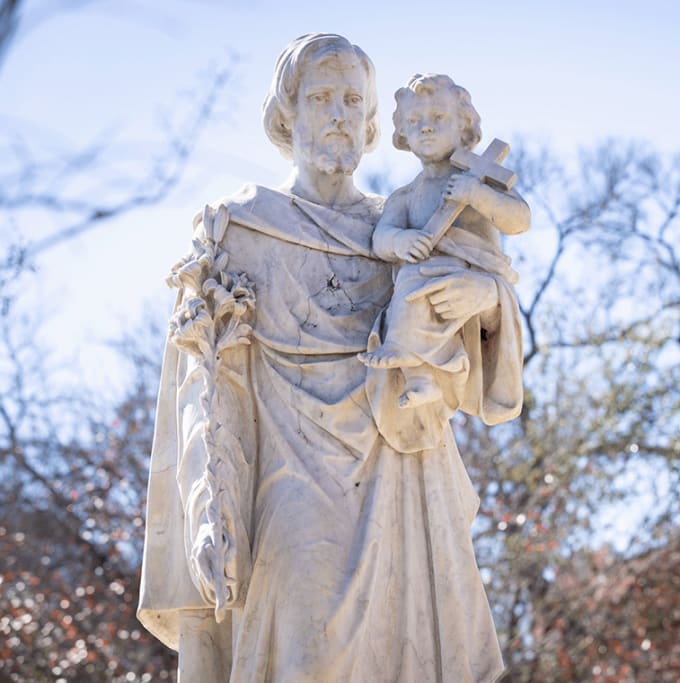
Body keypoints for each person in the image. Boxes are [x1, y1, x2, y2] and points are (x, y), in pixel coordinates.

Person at [137, 33, 523, 682]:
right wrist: (210, 506)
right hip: (287, 479)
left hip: (400, 477)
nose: (339, 113)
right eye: (320, 97)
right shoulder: (241, 226)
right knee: (305, 651)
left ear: (374, 119)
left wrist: (485, 295)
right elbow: (206, 383)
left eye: (352, 99)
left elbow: (467, 332)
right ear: (286, 115)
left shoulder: (396, 229)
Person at [359, 73, 529, 411]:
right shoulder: (405, 196)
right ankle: (420, 378)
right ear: (402, 133)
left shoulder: (483, 178)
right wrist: (400, 240)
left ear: (464, 126)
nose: (425, 127)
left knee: (422, 295)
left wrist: (478, 195)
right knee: (410, 292)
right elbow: (381, 238)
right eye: (414, 120)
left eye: (438, 118)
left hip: (474, 273)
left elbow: (519, 219)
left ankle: (444, 375)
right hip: (424, 274)